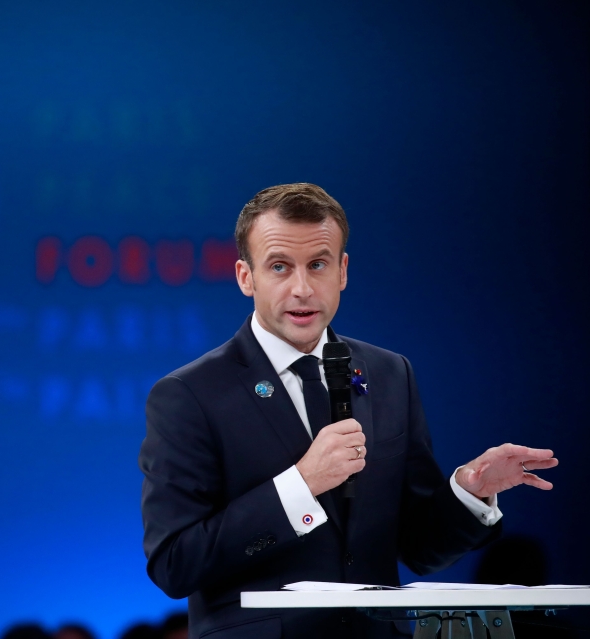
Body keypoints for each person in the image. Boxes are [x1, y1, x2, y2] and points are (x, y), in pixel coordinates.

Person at [138, 183, 559, 638]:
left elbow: (418, 548)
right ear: (246, 277)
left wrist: (468, 491)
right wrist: (301, 485)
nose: (302, 289)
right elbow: (174, 564)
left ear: (342, 271)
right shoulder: (189, 394)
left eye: (317, 264)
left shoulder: (389, 373)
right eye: (280, 267)